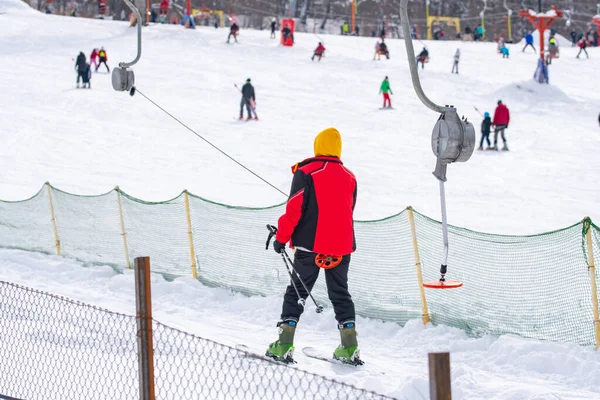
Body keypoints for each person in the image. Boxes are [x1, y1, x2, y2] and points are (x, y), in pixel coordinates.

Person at [266, 127, 361, 365]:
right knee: (340, 293)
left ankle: (284, 344)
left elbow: (294, 210)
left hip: (310, 247)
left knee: (297, 291)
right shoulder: (350, 176)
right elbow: (349, 210)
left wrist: (281, 239)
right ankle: (349, 347)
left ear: (317, 146)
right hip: (341, 247)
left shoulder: (306, 172)